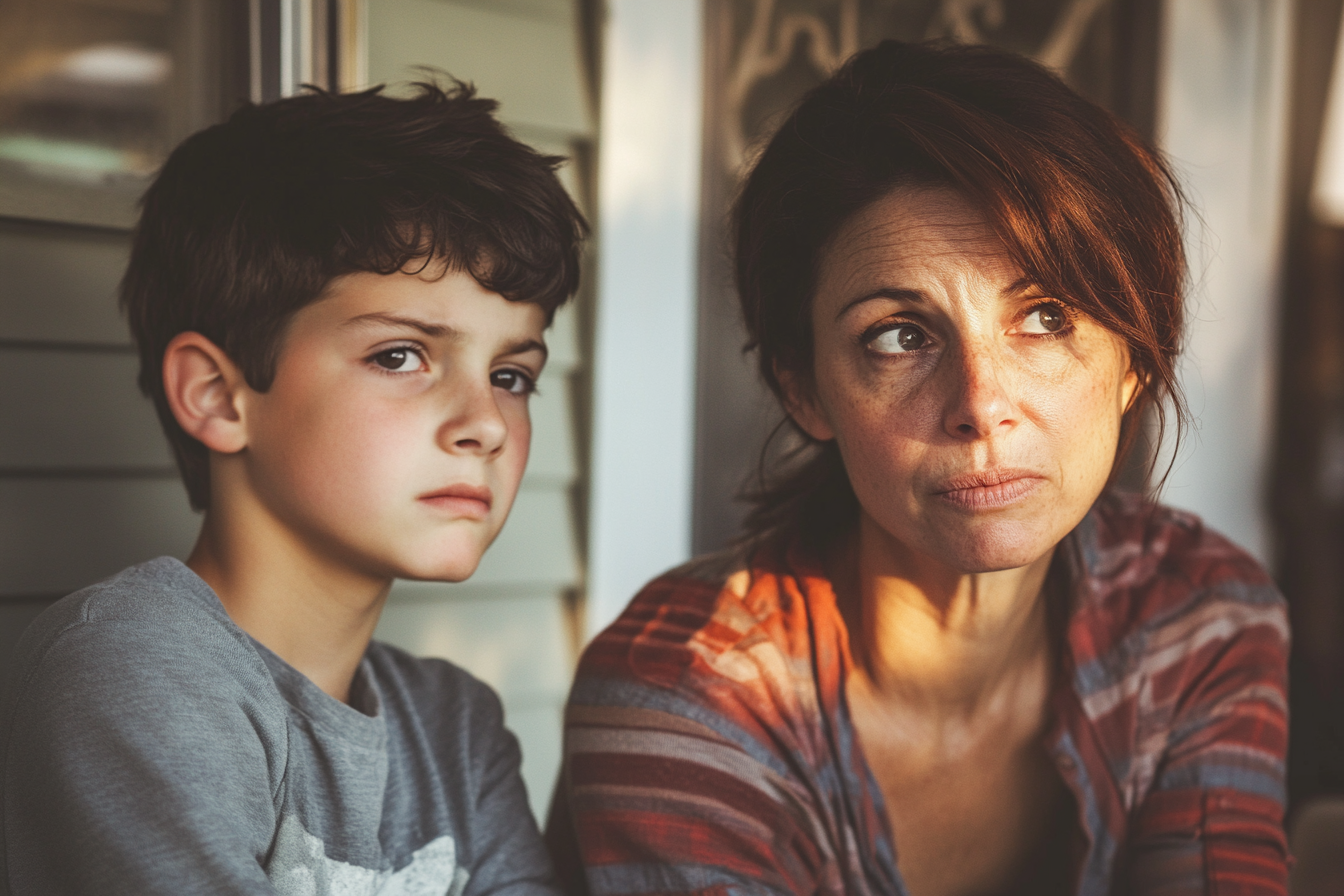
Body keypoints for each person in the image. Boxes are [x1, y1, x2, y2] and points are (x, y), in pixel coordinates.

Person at [551, 41, 1289, 896]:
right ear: (805, 389)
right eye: (899, 336)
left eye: (1046, 316)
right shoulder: (686, 695)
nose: (981, 403)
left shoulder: (1199, 619)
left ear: (1133, 359)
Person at [1, 82, 585, 895]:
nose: (484, 422)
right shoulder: (134, 669)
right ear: (217, 396)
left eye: (511, 374)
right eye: (400, 356)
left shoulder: (455, 728)